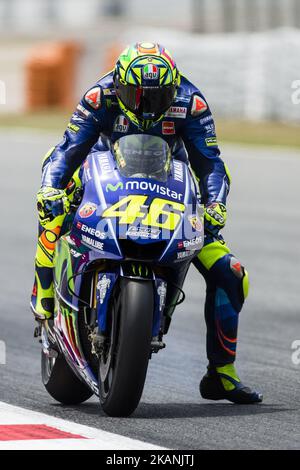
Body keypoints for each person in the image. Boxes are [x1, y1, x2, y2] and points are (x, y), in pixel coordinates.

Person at [31, 42, 262, 404]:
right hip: (102, 178)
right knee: (53, 205)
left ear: (173, 87)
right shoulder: (99, 97)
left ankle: (221, 373)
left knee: (230, 273)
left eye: (158, 96)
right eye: (136, 95)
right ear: (119, 86)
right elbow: (67, 150)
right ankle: (44, 295)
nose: (146, 105)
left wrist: (215, 204)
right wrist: (50, 189)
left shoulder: (191, 102)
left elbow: (211, 163)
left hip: (167, 189)